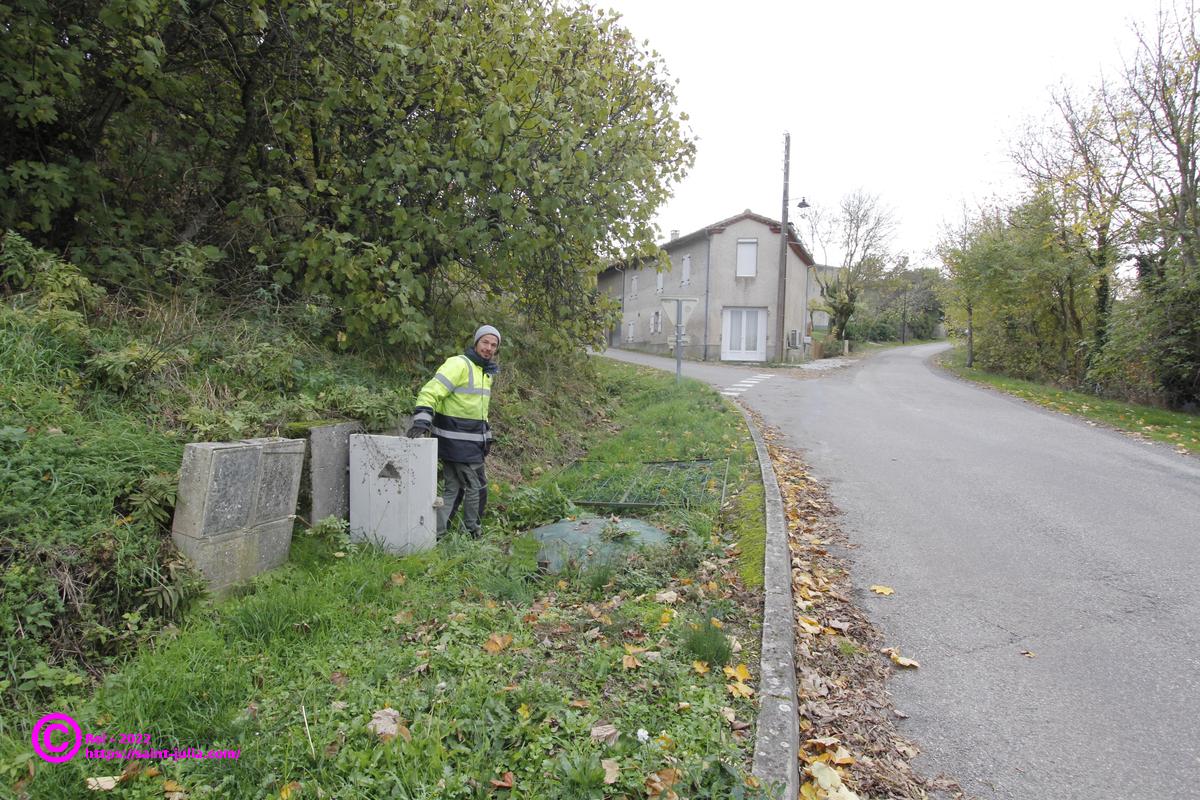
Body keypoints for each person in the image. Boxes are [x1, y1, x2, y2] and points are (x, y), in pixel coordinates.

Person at [407, 325, 500, 538]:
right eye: (485, 342)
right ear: (476, 342)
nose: (489, 348)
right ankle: (472, 533)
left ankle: (437, 534)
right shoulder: (459, 364)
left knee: (454, 489)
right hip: (457, 443)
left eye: (493, 345)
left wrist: (486, 439)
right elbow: (431, 391)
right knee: (477, 487)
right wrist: (422, 420)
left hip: (468, 444)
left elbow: (479, 412)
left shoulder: (485, 372)